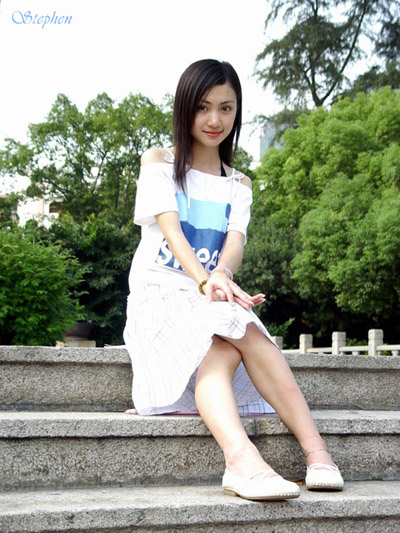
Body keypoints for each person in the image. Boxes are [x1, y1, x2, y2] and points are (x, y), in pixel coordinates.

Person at [123, 59, 344, 501]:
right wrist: (206, 282)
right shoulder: (159, 162)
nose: (214, 120)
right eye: (203, 107)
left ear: (237, 113)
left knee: (243, 331)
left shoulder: (239, 183)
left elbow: (235, 242)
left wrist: (222, 274)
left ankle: (318, 454)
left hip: (208, 293)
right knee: (220, 340)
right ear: (185, 108)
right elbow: (171, 231)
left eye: (226, 109)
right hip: (160, 295)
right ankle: (241, 460)